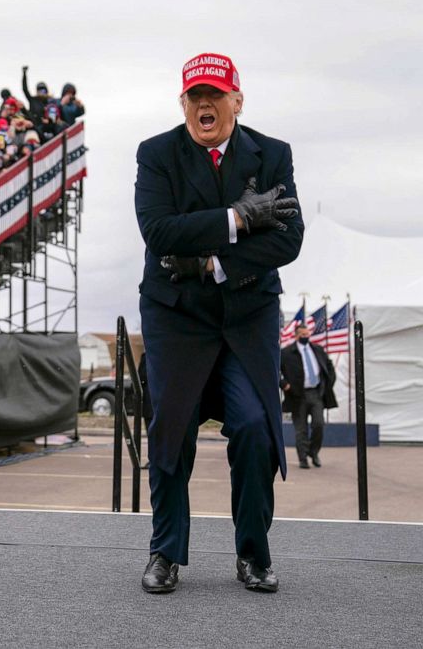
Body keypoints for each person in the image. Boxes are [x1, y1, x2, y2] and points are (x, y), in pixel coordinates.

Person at [134, 53, 302, 594]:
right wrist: (237, 218)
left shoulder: (273, 154)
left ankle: (253, 554)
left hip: (246, 315)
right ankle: (165, 552)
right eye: (194, 96)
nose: (204, 104)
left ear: (237, 100)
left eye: (215, 95)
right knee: (172, 427)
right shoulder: (156, 154)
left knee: (254, 426)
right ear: (183, 102)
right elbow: (158, 232)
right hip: (176, 316)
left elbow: (287, 240)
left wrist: (214, 261)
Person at [280, 324, 337, 469]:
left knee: (319, 424)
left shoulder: (317, 349)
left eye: (307, 334)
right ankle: (303, 458)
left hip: (316, 393)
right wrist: (284, 384)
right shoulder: (286, 353)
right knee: (301, 430)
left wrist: (328, 384)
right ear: (297, 336)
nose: (306, 337)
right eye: (303, 335)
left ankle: (313, 451)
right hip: (297, 395)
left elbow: (329, 366)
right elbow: (274, 370)